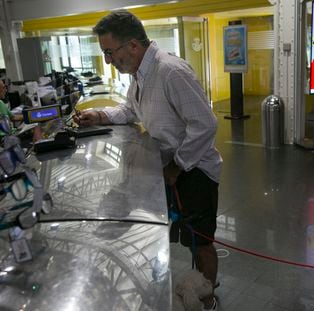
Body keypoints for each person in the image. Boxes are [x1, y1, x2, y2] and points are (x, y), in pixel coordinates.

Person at [74, 10, 222, 310]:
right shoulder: (140, 75)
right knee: (179, 235)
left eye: (109, 52)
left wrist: (177, 166)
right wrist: (100, 115)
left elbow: (205, 124)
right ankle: (192, 287)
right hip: (169, 169)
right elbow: (130, 111)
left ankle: (208, 299)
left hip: (195, 172)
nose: (108, 60)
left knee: (202, 242)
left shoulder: (170, 72)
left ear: (131, 45)